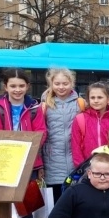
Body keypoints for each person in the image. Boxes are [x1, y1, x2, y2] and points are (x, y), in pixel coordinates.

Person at [0, 68, 47, 218]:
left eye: (21, 85)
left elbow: (41, 133)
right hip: (4, 162)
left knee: (26, 207)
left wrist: (26, 147)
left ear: (27, 86)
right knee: (3, 208)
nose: (17, 89)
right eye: (13, 86)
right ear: (5, 86)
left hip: (28, 164)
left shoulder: (35, 108)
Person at [42, 68, 84, 203]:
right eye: (57, 83)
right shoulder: (44, 105)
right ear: (51, 84)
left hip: (75, 160)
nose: (61, 87)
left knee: (73, 203)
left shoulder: (80, 103)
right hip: (52, 161)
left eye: (65, 83)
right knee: (54, 204)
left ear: (72, 83)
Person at [72, 82, 109, 168]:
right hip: (87, 167)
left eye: (100, 97)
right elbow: (76, 147)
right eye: (92, 97)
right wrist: (81, 167)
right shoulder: (80, 119)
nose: (96, 100)